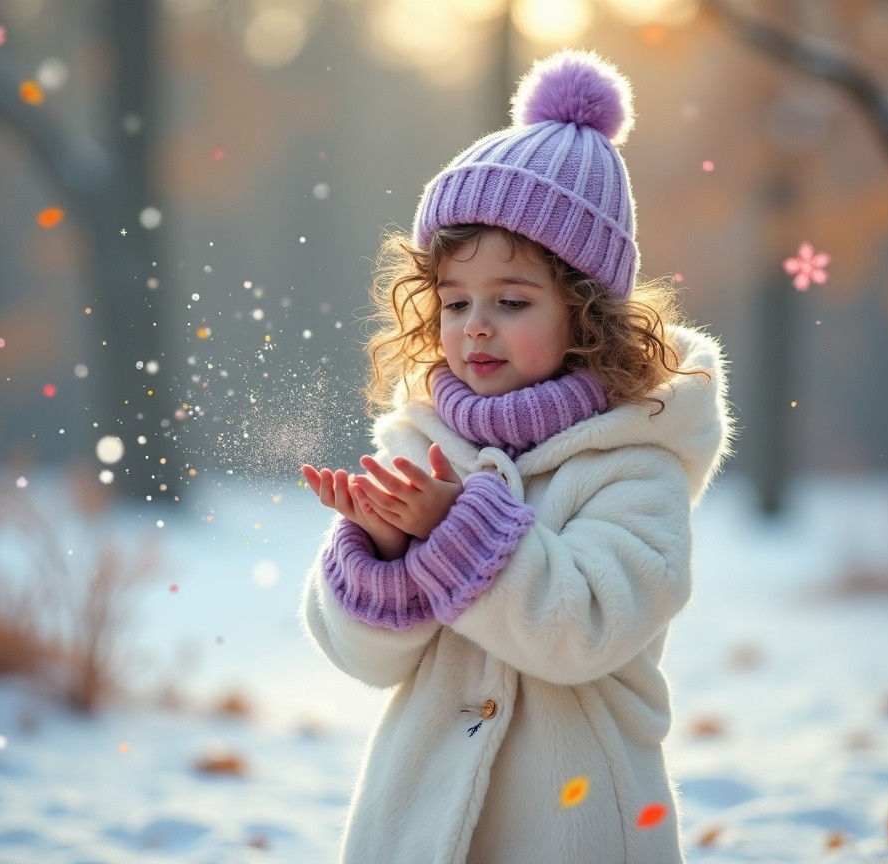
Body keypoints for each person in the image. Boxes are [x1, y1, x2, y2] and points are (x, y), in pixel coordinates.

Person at [299, 48, 733, 864]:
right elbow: (362, 659)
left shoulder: (634, 464)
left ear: (585, 312)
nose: (476, 326)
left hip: (576, 825)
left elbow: (583, 631)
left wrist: (456, 532)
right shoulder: (424, 446)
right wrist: (387, 552)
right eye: (455, 301)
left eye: (512, 300)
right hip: (418, 822)